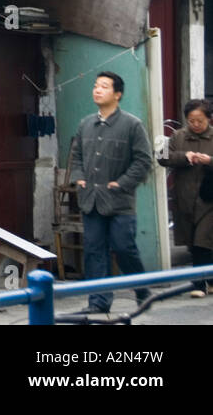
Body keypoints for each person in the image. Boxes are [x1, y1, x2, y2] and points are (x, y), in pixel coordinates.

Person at [68, 71, 154, 313]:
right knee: (94, 250)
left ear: (118, 94)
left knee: (123, 247)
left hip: (120, 201)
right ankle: (98, 302)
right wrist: (79, 178)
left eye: (104, 87)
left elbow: (143, 161)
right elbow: (77, 157)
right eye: (96, 86)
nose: (97, 90)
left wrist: (122, 183)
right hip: (91, 200)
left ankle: (142, 289)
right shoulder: (85, 123)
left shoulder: (132, 125)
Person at [158, 98, 213, 296]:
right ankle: (209, 279)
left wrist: (209, 161)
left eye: (200, 121)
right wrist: (184, 156)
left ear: (209, 119)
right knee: (193, 242)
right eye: (191, 121)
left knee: (203, 240)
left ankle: (198, 285)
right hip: (185, 198)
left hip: (209, 200)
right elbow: (162, 157)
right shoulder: (177, 136)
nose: (196, 125)